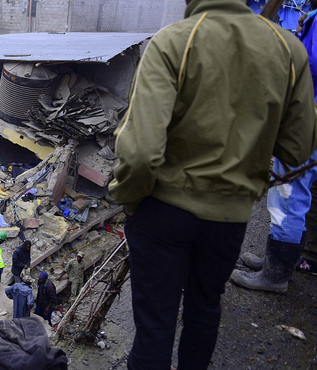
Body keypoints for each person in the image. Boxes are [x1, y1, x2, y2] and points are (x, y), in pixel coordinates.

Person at [107, 0, 317, 369]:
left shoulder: (174, 42)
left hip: (162, 214)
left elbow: (141, 153)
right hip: (229, 219)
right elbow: (298, 146)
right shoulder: (287, 48)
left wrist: (128, 198)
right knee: (205, 309)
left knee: (155, 328)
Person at [230, 0, 317, 293]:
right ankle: (279, 262)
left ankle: (275, 275)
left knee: (289, 193)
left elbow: (309, 65)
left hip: (308, 116)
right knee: (295, 192)